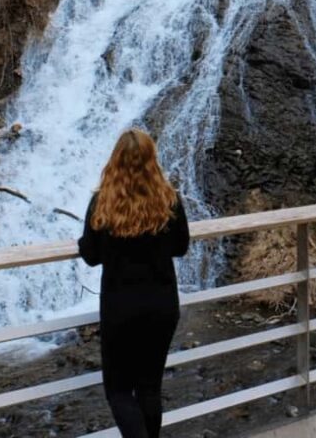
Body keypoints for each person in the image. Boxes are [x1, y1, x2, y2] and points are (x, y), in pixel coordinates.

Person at [78, 128, 190, 438]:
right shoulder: (169, 199)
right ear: (152, 160)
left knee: (118, 391)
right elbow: (181, 248)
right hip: (162, 306)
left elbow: (90, 255)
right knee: (149, 388)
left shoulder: (102, 203)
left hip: (121, 308)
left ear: (114, 162)